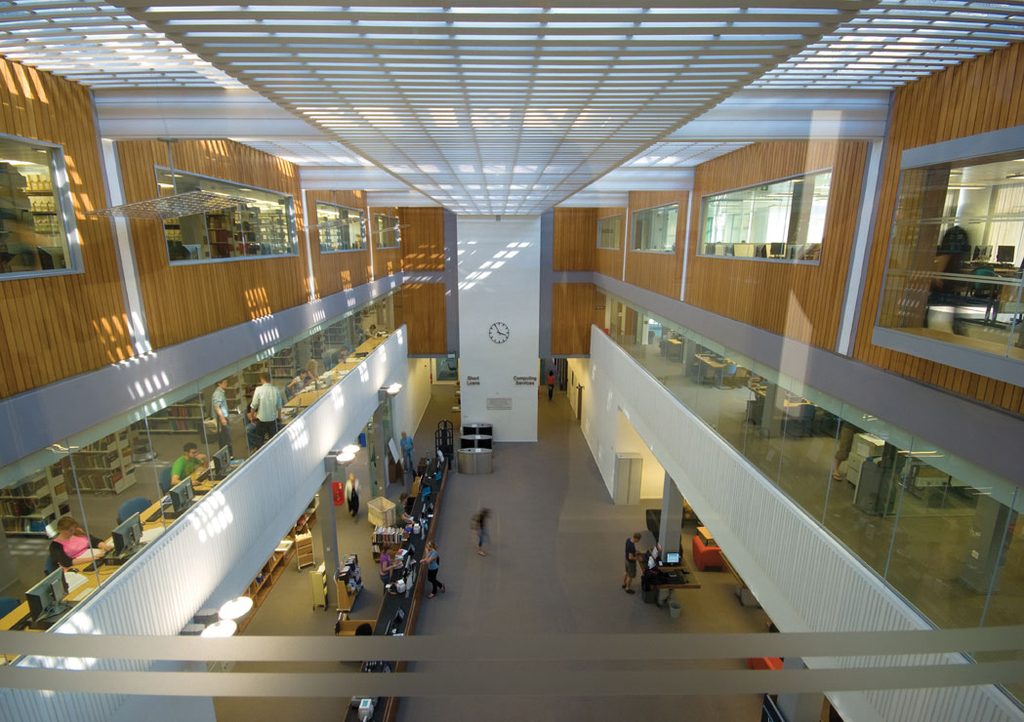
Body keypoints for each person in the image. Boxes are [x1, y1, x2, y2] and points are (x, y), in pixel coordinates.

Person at [248, 373, 282, 449]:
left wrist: (252, 417)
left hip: (261, 420)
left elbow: (254, 405)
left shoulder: (258, 390)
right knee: (273, 441)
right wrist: (279, 417)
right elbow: (279, 406)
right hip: (272, 420)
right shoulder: (275, 389)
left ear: (262, 379)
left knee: (260, 441)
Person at [210, 379, 233, 459]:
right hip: (222, 419)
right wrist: (222, 418)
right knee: (226, 439)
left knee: (226, 438)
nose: (226, 384)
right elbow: (217, 407)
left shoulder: (221, 392)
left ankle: (228, 456)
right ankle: (228, 456)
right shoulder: (217, 393)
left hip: (223, 418)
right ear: (219, 384)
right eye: (225, 382)